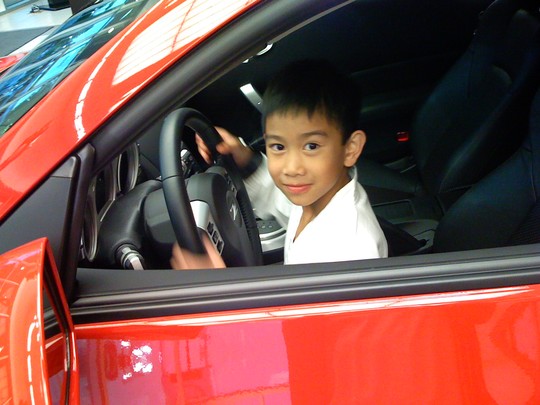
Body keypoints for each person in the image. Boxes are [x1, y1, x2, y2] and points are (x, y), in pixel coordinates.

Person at [171, 59, 388, 269]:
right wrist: (246, 160)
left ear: (350, 149)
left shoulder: (352, 250)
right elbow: (280, 201)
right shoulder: (317, 195)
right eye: (278, 146)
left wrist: (219, 286)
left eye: (311, 146)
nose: (291, 168)